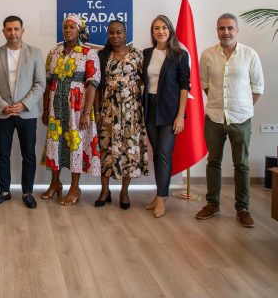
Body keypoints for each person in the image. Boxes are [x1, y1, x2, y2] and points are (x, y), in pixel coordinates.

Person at [195, 13, 264, 228]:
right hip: (214, 117)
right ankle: (212, 204)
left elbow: (257, 88)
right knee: (213, 162)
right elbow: (205, 84)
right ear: (217, 30)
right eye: (221, 28)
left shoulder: (249, 54)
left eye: (230, 28)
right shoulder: (207, 54)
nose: (226, 32)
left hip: (240, 118)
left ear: (237, 30)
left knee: (241, 164)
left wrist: (243, 107)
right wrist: (219, 103)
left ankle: (242, 208)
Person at [0, 15, 45, 209]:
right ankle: (4, 191)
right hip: (3, 112)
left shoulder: (35, 53)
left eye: (16, 29)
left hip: (27, 113)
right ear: (3, 31)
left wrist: (24, 104)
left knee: (28, 154)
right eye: (9, 29)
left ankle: (28, 192)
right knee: (3, 153)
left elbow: (40, 83)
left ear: (22, 30)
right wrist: (2, 105)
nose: (13, 33)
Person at [41, 13, 101, 205]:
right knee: (55, 143)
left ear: (80, 30)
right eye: (65, 27)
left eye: (72, 27)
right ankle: (55, 183)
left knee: (76, 144)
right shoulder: (54, 52)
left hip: (77, 109)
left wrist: (86, 113)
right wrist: (45, 109)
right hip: (56, 108)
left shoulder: (89, 53)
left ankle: (75, 188)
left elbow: (92, 85)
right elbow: (48, 82)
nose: (68, 30)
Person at [94, 20, 148, 209]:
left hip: (131, 112)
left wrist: (130, 90)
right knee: (106, 150)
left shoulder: (137, 54)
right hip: (108, 110)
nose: (115, 36)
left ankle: (124, 192)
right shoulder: (102, 55)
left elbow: (145, 80)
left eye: (119, 32)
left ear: (125, 34)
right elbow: (97, 86)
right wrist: (97, 111)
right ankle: (104, 190)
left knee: (128, 150)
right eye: (111, 33)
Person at [142, 15, 190, 218]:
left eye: (164, 28)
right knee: (156, 153)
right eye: (156, 28)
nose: (160, 31)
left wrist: (180, 115)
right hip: (150, 108)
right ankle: (159, 194)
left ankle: (162, 198)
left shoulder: (179, 55)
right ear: (152, 32)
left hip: (170, 111)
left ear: (170, 31)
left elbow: (184, 86)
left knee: (163, 153)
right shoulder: (146, 53)